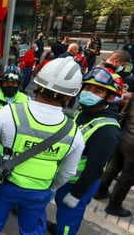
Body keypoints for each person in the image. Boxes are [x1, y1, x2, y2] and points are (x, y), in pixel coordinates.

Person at [0, 57, 85, 234]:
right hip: (39, 191)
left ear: (37, 84)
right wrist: (53, 189)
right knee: (31, 231)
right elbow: (68, 172)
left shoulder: (9, 113)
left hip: (5, 184)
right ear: (70, 95)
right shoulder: (74, 132)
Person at [50, 67, 123, 235]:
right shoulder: (86, 112)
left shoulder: (107, 129)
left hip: (78, 184)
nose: (89, 92)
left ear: (110, 97)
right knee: (63, 212)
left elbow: (95, 168)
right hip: (67, 178)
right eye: (88, 88)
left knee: (69, 218)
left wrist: (76, 194)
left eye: (98, 91)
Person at [93, 94, 134, 217]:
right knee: (127, 177)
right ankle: (114, 205)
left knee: (113, 166)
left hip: (123, 137)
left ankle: (100, 191)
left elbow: (123, 115)